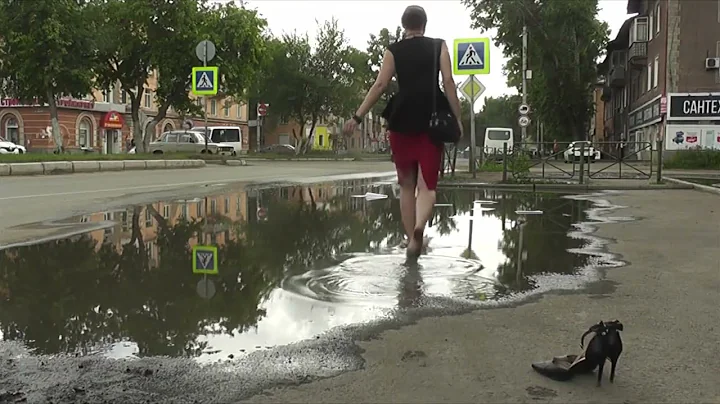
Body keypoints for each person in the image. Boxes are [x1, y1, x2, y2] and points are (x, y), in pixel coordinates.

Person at [343, 5, 462, 258]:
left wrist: (358, 115)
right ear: (425, 25)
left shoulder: (393, 50)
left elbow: (380, 85)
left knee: (406, 185)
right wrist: (457, 117)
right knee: (427, 185)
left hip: (401, 119)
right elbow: (449, 82)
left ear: (403, 25)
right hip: (431, 121)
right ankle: (420, 227)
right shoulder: (438, 45)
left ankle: (411, 240)